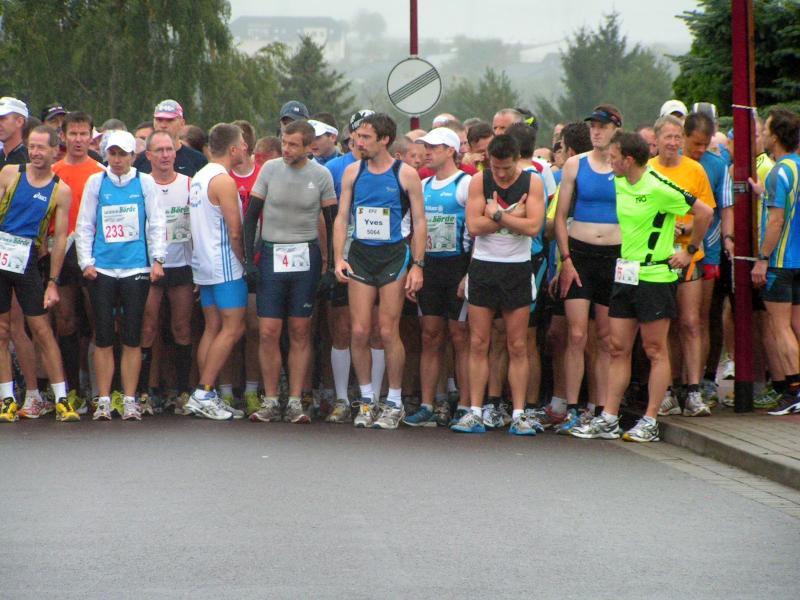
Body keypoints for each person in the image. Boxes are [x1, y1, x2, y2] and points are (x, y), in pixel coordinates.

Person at [570, 131, 712, 441]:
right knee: (617, 347)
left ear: (629, 159)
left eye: (614, 157)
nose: (610, 161)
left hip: (655, 276)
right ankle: (609, 418)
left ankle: (650, 420)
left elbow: (705, 212)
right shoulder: (620, 181)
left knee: (654, 349)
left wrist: (688, 251)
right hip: (626, 273)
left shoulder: (659, 185)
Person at [332, 113, 426, 429]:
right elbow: (342, 217)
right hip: (360, 255)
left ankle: (394, 401)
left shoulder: (405, 174)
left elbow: (420, 222)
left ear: (384, 140)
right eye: (357, 137)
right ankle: (367, 399)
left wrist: (418, 265)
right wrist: (338, 258)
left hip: (393, 257)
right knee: (359, 331)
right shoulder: (353, 172)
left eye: (365, 138)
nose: (358, 142)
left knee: (387, 331)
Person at [450, 133, 545, 435]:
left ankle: (519, 414)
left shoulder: (532, 182)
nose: (501, 174)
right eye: (495, 167)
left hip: (517, 269)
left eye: (506, 168)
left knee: (517, 344)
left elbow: (533, 227)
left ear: (517, 160)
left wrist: (498, 214)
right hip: (484, 268)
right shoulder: (479, 180)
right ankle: (475, 411)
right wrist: (513, 216)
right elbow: (474, 226)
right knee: (478, 342)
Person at [244, 119, 335, 423]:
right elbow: (251, 217)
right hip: (272, 254)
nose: (286, 149)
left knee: (300, 330)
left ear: (309, 147)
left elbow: (331, 221)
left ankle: (295, 400)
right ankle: (271, 399)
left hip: (305, 256)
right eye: (284, 142)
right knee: (268, 331)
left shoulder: (321, 175)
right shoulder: (270, 170)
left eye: (294, 145)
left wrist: (330, 266)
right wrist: (249, 260)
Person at [75, 130, 167, 421]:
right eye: (112, 154)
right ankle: (103, 399)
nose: (117, 160)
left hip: (135, 267)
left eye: (122, 154)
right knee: (103, 335)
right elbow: (85, 223)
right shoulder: (96, 181)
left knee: (131, 336)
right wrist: (85, 262)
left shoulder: (144, 182)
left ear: (132, 156)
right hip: (102, 267)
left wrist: (158, 260)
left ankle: (129, 399)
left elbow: (157, 221)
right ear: (106, 155)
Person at [0, 126, 78, 423]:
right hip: (1, 253)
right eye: (31, 146)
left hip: (27, 259)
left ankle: (61, 399)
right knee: (2, 330)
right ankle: (7, 399)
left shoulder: (60, 190)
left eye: (41, 147)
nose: (35, 153)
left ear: (55, 151)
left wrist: (53, 282)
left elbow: (59, 239)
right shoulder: (10, 173)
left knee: (41, 329)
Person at [554, 105, 622, 428]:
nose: (596, 131)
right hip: (580, 254)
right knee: (577, 334)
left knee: (606, 338)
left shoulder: (624, 165)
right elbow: (560, 216)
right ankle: (572, 408)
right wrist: (566, 259)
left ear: (615, 129)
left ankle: (600, 409)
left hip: (614, 255)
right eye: (593, 126)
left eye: (603, 127)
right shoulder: (575, 164)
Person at [401, 128, 471, 427]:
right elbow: (408, 228)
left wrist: (469, 273)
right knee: (430, 336)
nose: (427, 152)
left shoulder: (465, 184)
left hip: (457, 266)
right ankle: (428, 404)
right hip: (429, 267)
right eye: (425, 147)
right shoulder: (422, 184)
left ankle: (466, 406)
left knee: (460, 337)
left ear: (451, 150)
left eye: (434, 147)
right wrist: (413, 266)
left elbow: (476, 232)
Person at [649, 115, 716, 418]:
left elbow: (707, 212)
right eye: (668, 137)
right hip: (657, 257)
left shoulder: (695, 170)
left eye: (678, 137)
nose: (673, 143)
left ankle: (693, 390)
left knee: (690, 322)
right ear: (657, 139)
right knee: (664, 325)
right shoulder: (648, 170)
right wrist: (664, 227)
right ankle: (667, 390)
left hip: (689, 256)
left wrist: (687, 236)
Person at [185, 123, 248, 420]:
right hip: (223, 263)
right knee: (234, 327)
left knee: (213, 328)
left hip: (203, 262)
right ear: (233, 149)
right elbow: (235, 231)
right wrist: (244, 263)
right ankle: (203, 392)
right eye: (243, 144)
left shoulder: (199, 176)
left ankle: (205, 394)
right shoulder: (223, 180)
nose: (246, 149)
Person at [136, 131, 195, 415]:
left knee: (181, 327)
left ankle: (182, 391)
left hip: (181, 264)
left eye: (169, 149)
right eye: (158, 150)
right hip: (149, 266)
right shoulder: (141, 184)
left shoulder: (189, 184)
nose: (165, 155)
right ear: (148, 155)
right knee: (147, 328)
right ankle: (143, 392)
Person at [52, 111, 105, 409]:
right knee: (66, 320)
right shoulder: (54, 171)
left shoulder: (101, 171)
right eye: (73, 133)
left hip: (93, 254)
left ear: (91, 136)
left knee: (99, 319)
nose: (78, 139)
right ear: (63, 136)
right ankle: (72, 389)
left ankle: (100, 390)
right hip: (62, 253)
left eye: (84, 133)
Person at [750, 108, 800, 416]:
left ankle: (794, 390)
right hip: (799, 259)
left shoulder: (777, 172)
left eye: (766, 131)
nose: (763, 135)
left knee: (780, 327)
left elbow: (776, 220)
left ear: (777, 137)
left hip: (781, 261)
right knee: (796, 325)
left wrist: (762, 259)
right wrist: (762, 194)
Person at [134, 100, 207, 176]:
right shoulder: (141, 160)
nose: (163, 125)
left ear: (182, 123)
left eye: (169, 120)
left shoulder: (197, 160)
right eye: (159, 120)